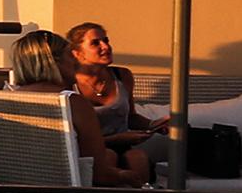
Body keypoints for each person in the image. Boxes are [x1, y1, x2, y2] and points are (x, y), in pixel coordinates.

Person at [10, 28, 150, 188]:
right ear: (55, 62)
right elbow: (100, 175)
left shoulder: (7, 99)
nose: (76, 62)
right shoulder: (74, 103)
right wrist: (125, 176)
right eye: (70, 56)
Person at [66, 22, 167, 159]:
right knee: (109, 156)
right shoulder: (68, 84)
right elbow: (70, 137)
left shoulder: (122, 76)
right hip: (87, 153)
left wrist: (154, 124)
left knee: (138, 158)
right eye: (95, 43)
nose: (106, 47)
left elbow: (131, 117)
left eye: (106, 40)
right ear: (77, 53)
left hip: (123, 149)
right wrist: (115, 139)